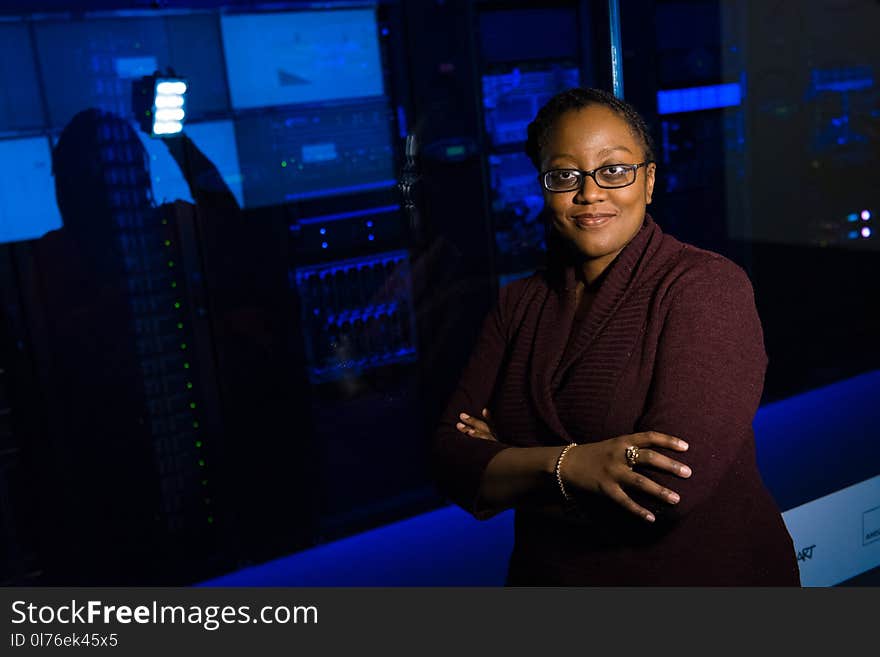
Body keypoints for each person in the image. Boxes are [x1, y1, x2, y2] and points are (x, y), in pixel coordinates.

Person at [431, 87, 801, 586]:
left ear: (648, 181)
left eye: (614, 169)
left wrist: (507, 465)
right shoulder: (517, 303)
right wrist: (575, 464)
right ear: (543, 187)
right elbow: (449, 461)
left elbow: (665, 492)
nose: (590, 193)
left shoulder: (705, 288)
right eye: (565, 175)